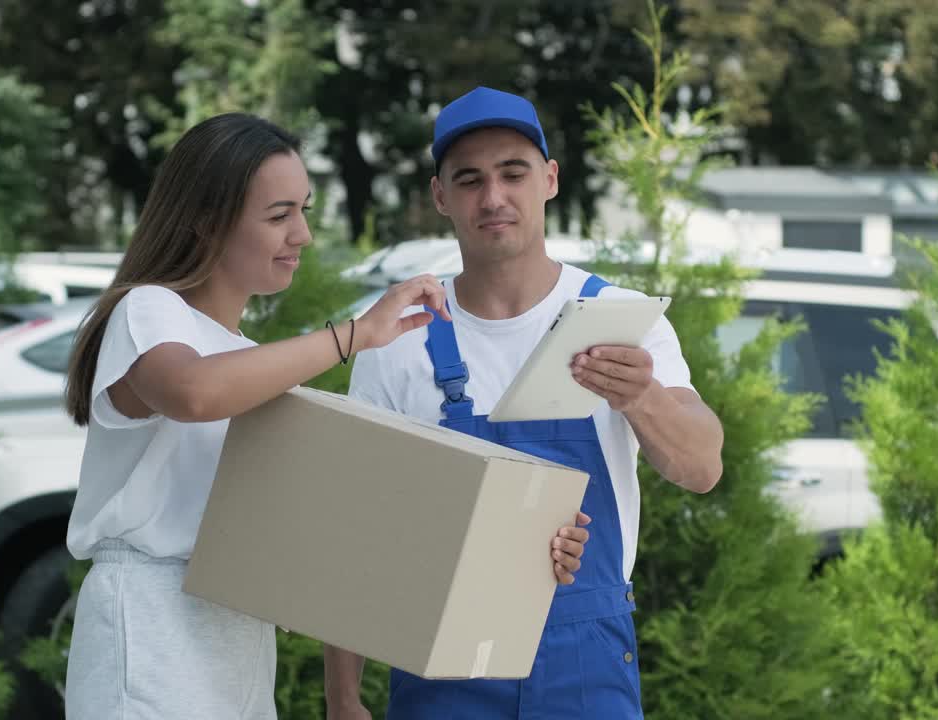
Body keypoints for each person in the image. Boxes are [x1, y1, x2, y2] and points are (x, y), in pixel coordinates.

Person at [59, 112, 590, 720]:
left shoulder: (242, 356)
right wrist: (355, 335)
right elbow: (193, 394)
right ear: (207, 220)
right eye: (280, 215)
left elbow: (335, 531)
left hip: (236, 626)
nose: (303, 235)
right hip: (150, 622)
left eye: (304, 210)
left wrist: (523, 544)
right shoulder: (149, 311)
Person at [323, 87, 725, 719]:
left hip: (586, 662)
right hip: (441, 660)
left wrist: (641, 396)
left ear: (550, 179)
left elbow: (701, 469)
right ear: (440, 197)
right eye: (470, 179)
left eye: (513, 173)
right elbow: (360, 527)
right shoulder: (398, 337)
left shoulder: (617, 321)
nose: (493, 198)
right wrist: (343, 698)